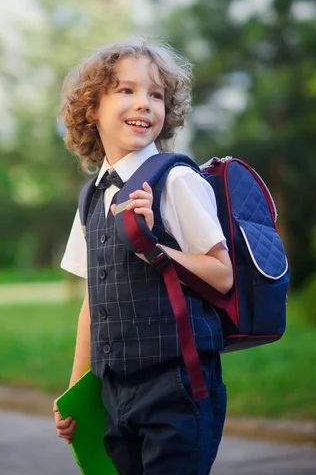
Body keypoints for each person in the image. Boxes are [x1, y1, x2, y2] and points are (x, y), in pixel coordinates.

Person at [54, 38, 233, 475]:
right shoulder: (92, 198)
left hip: (176, 382)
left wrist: (155, 245)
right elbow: (92, 304)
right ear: (92, 109)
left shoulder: (176, 180)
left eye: (156, 94)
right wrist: (78, 391)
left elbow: (222, 274)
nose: (145, 104)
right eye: (127, 90)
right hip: (115, 389)